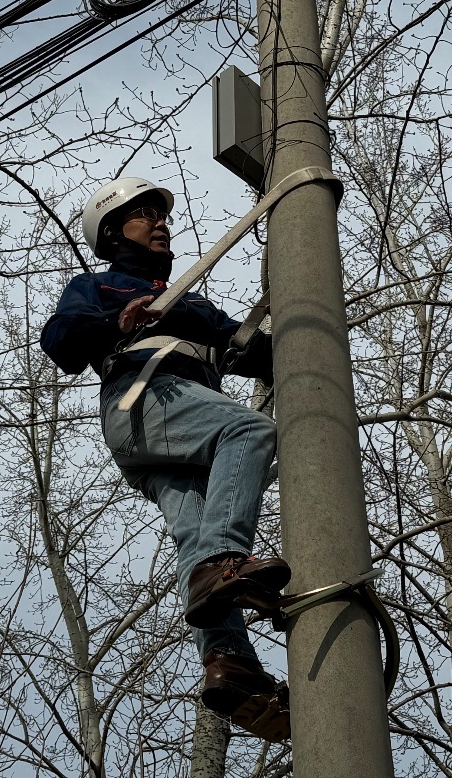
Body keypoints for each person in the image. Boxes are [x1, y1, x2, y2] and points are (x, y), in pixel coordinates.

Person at [39, 176, 291, 741]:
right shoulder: (98, 288)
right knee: (249, 431)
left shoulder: (193, 304)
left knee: (194, 532)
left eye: (163, 215)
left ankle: (230, 663)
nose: (160, 223)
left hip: (172, 436)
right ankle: (225, 559)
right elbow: (60, 343)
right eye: (144, 215)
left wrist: (299, 317)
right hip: (146, 403)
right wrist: (117, 320)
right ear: (111, 232)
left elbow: (249, 351)